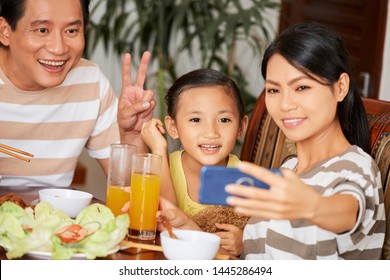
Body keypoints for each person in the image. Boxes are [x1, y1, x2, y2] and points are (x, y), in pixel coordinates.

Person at [159, 23, 386, 260]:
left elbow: (347, 210)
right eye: (274, 90)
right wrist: (189, 228)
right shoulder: (288, 170)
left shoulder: (355, 168)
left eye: (302, 87)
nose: (285, 105)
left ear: (340, 88)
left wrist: (312, 206)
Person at [0, 0, 155, 186]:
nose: (58, 48)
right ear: (5, 31)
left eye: (71, 31)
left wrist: (131, 137)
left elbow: (127, 190)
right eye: (42, 30)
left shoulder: (91, 82)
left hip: (50, 213)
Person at [141, 68, 249, 256]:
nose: (211, 132)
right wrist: (158, 149)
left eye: (224, 119)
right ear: (173, 127)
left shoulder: (245, 181)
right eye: (196, 119)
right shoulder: (163, 166)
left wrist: (244, 241)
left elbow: (247, 250)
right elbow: (168, 223)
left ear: (241, 126)